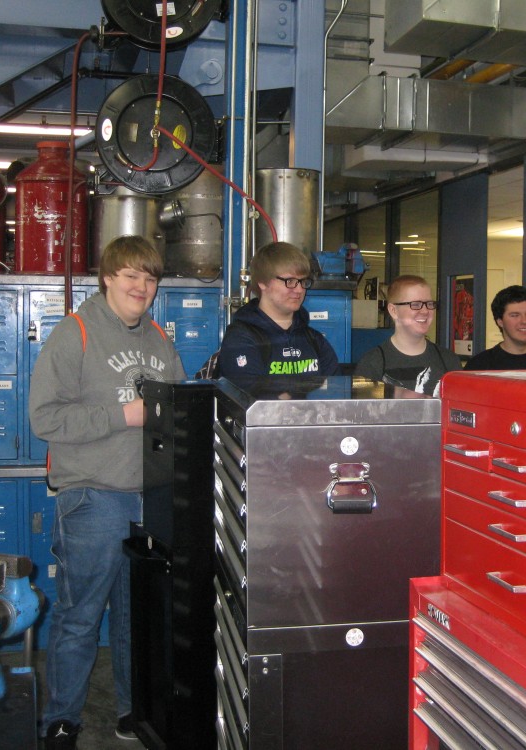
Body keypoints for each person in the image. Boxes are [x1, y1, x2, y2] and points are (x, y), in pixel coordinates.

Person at [29, 236, 186, 749]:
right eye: (131, 276)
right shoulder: (74, 333)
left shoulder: (158, 338)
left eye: (150, 278)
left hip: (149, 498)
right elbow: (45, 418)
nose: (142, 286)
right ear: (107, 278)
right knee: (80, 616)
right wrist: (125, 415)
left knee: (135, 618)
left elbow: (176, 410)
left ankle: (131, 711)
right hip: (94, 496)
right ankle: (61, 721)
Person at [194, 241, 339, 387]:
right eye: (290, 281)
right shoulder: (240, 340)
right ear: (262, 282)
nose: (299, 290)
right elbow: (251, 395)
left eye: (303, 281)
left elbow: (334, 390)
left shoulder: (314, 340)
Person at [354, 274, 462, 396]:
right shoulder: (372, 364)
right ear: (393, 310)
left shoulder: (448, 361)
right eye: (415, 304)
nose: (425, 311)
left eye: (429, 304)